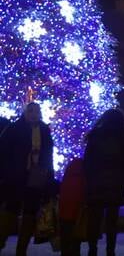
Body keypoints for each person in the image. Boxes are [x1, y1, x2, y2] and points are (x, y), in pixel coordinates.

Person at [0, 103, 54, 255]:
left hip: (36, 176)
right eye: (30, 111)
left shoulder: (44, 130)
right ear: (25, 113)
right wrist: (6, 174)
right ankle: (1, 239)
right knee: (11, 209)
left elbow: (48, 154)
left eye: (37, 111)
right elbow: (3, 152)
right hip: (16, 176)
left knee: (30, 212)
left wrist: (49, 177)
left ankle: (21, 249)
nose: (34, 114)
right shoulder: (14, 129)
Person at [84, 108, 124, 256]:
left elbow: (87, 162)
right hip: (115, 184)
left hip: (96, 183)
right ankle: (110, 250)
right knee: (112, 221)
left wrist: (90, 180)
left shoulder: (95, 136)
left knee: (94, 219)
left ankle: (92, 249)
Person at [58, 158, 86, 256]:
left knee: (65, 242)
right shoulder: (83, 176)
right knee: (75, 242)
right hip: (77, 215)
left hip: (65, 215)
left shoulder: (67, 176)